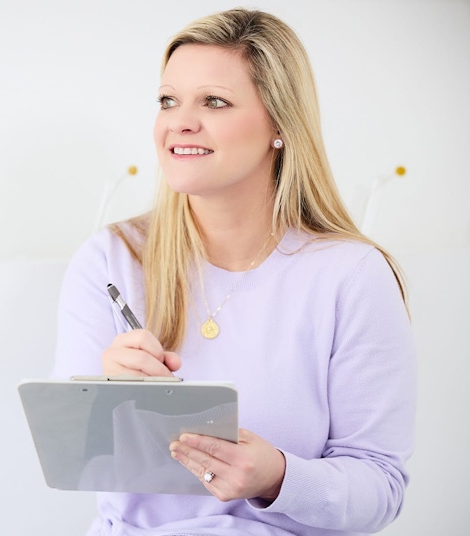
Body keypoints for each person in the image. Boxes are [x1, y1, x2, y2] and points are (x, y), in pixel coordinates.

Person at [52, 8, 416, 536]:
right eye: (168, 100)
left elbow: (380, 489)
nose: (179, 121)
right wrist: (102, 398)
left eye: (214, 102)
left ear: (281, 126)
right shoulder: (110, 259)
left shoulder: (352, 276)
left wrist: (278, 478)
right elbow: (69, 459)